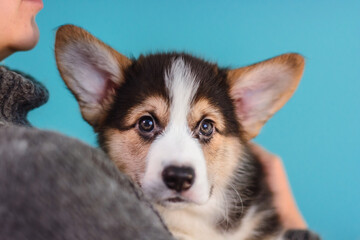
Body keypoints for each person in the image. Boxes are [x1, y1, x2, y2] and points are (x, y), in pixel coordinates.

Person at [0, 0, 313, 239]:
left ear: (246, 110)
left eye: (206, 127)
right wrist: (296, 224)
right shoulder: (31, 166)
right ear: (101, 94)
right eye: (147, 124)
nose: (179, 166)